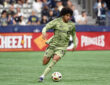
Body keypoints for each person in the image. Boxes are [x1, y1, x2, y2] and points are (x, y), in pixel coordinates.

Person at [38, 7, 77, 82]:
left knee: (54, 60)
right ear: (63, 15)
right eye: (67, 15)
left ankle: (42, 76)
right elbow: (46, 27)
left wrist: (75, 44)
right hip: (52, 45)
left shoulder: (71, 25)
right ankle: (50, 54)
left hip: (62, 48)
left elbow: (74, 35)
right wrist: (43, 33)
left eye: (70, 16)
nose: (69, 17)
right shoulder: (56, 22)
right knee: (44, 62)